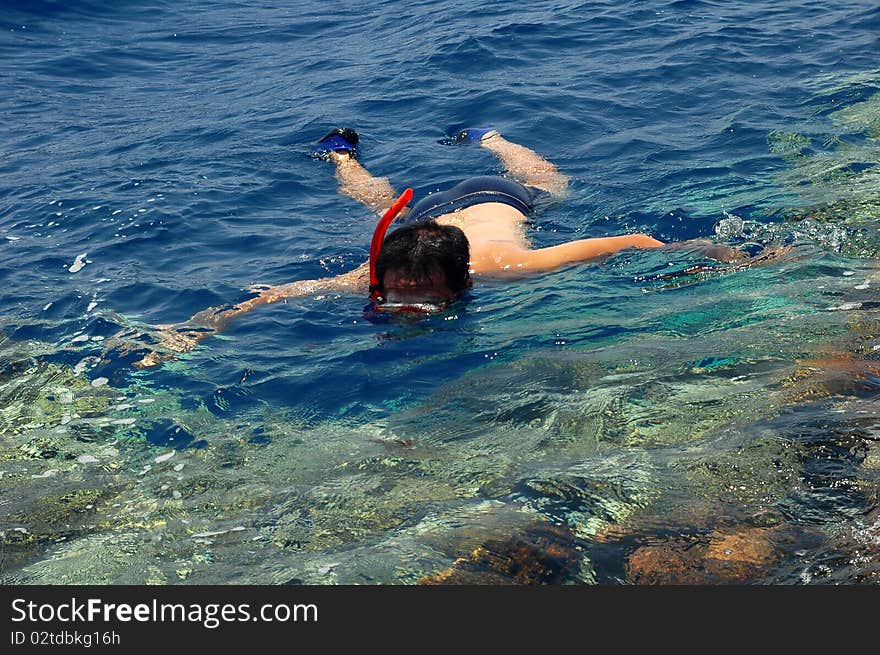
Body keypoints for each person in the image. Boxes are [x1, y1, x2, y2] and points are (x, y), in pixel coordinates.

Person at [125, 126, 769, 368]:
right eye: (398, 293)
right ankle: (342, 154)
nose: (405, 305)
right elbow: (277, 294)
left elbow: (633, 240)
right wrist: (199, 329)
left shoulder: (508, 266)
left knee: (549, 186)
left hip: (496, 197)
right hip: (422, 215)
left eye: (421, 298)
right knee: (373, 201)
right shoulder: (377, 273)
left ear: (459, 286)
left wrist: (726, 254)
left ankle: (493, 137)